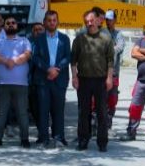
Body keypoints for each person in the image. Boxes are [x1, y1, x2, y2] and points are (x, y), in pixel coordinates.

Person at [71, 10, 116, 152]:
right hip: (83, 80)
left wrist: (109, 78)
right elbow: (73, 61)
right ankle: (83, 140)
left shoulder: (106, 39)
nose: (89, 23)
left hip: (101, 81)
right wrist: (74, 77)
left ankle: (102, 142)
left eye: (91, 20)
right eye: (87, 21)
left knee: (102, 112)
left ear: (97, 20)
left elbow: (110, 61)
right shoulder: (79, 39)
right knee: (83, 112)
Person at [30, 10, 70, 148]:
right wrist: (48, 69)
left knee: (59, 109)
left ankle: (59, 137)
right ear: (44, 22)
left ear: (57, 22)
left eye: (54, 20)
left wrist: (56, 69)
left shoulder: (65, 38)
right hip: (43, 79)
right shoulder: (38, 39)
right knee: (43, 110)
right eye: (49, 20)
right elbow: (35, 57)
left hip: (59, 79)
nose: (52, 22)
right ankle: (43, 138)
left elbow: (67, 57)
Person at [0, 17, 31, 148]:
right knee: (0, 112)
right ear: (4, 26)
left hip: (21, 84)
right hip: (2, 83)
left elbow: (28, 54)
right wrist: (7, 61)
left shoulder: (24, 40)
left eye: (13, 23)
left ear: (17, 25)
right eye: (8, 23)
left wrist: (15, 61)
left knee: (22, 112)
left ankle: (25, 139)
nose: (11, 25)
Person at [104, 10, 127, 123]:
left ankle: (109, 120)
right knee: (99, 98)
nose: (108, 22)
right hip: (100, 72)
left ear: (115, 20)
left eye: (111, 19)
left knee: (112, 99)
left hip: (113, 73)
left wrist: (108, 49)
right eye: (107, 19)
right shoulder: (101, 33)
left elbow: (120, 47)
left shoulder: (119, 35)